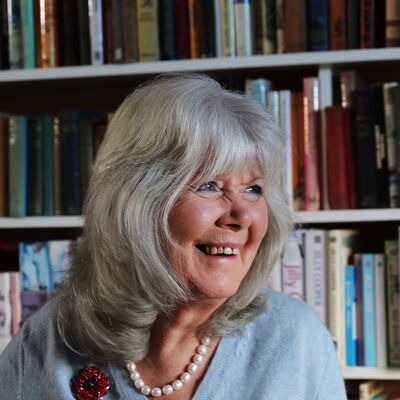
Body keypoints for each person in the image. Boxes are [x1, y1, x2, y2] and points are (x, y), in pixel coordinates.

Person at [0, 74, 347, 400]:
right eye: (209, 185)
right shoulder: (49, 341)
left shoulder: (296, 341)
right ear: (138, 202)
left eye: (253, 189)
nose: (241, 216)